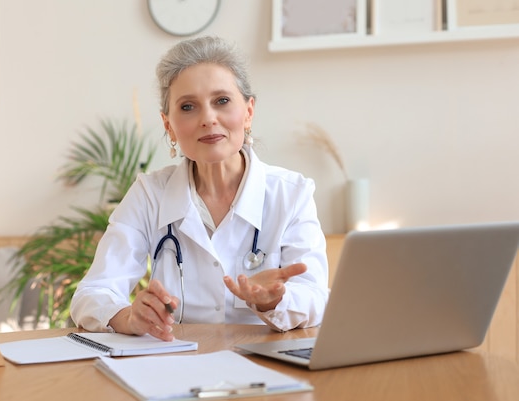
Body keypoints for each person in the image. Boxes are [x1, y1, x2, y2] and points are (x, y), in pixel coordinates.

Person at [70, 36, 329, 341]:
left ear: (248, 112)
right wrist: (128, 316)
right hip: (174, 365)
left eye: (222, 101)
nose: (208, 119)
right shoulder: (149, 194)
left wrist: (272, 300)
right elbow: (93, 292)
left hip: (266, 365)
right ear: (169, 126)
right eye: (188, 106)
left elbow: (315, 296)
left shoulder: (292, 194)